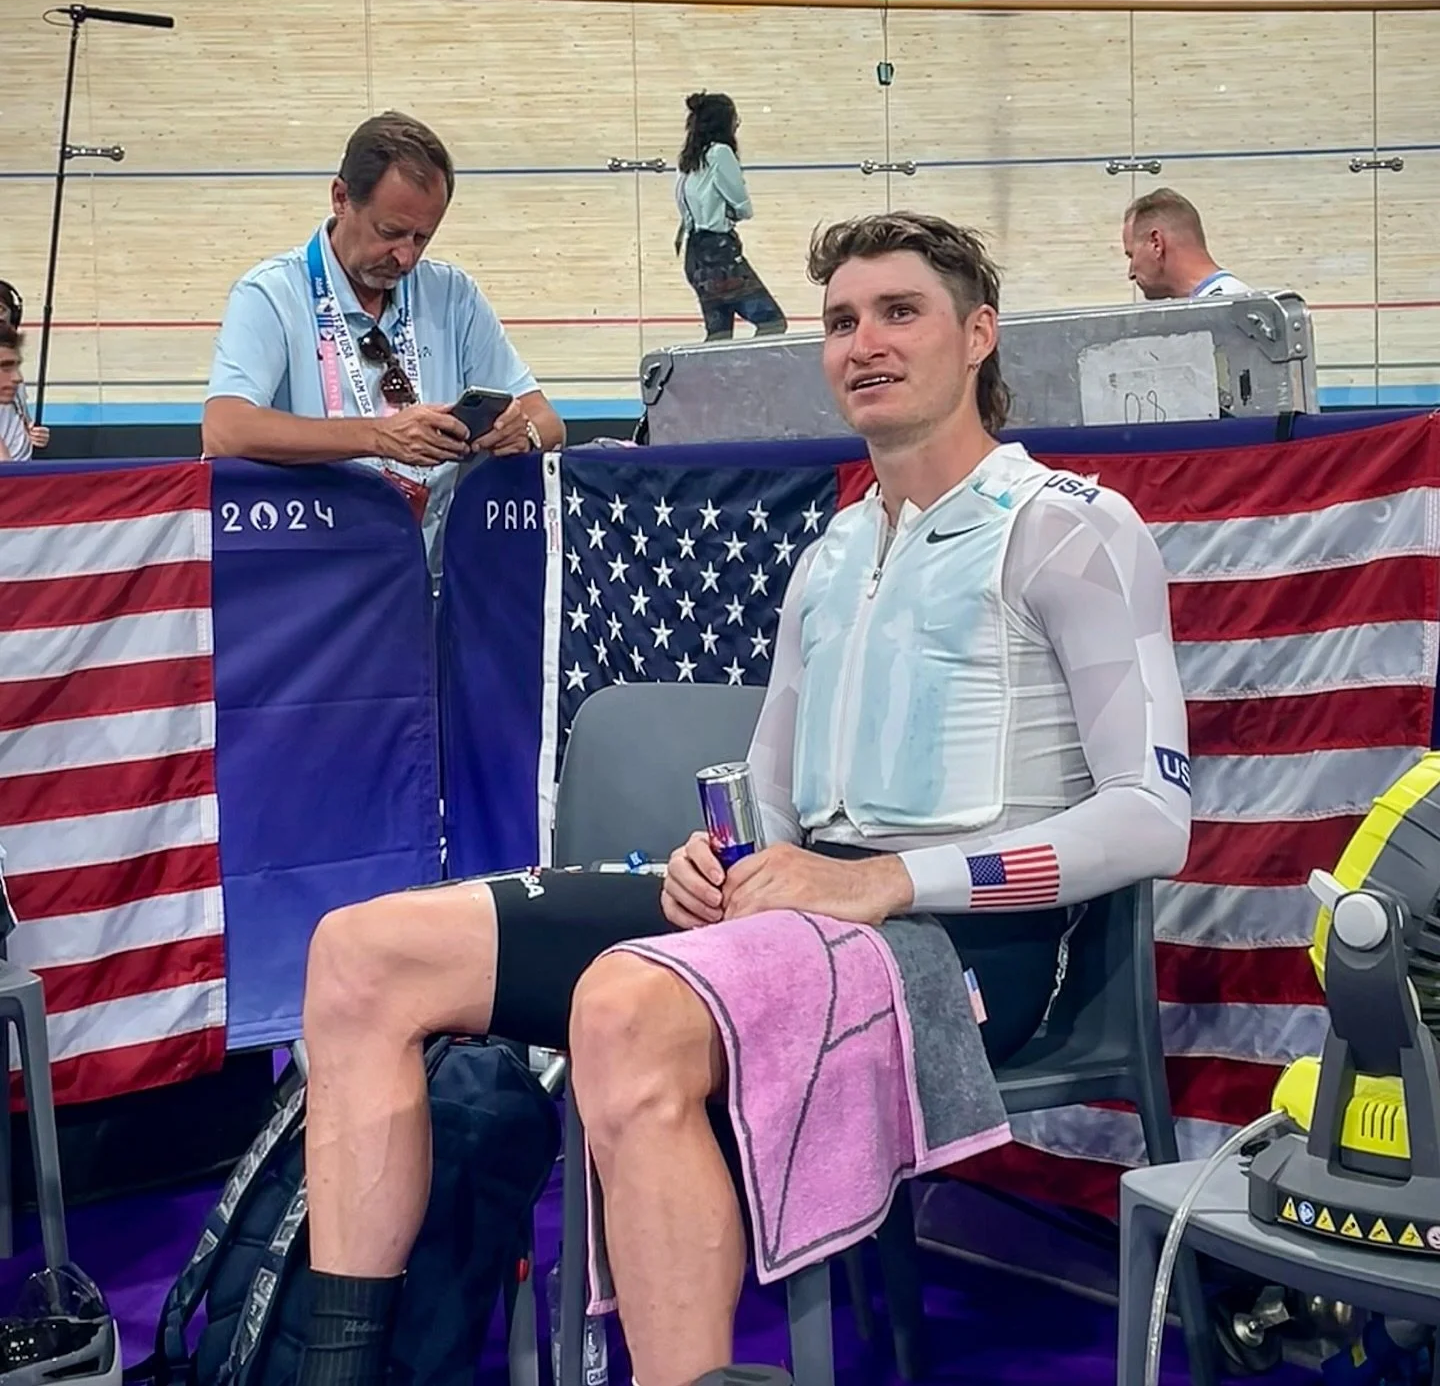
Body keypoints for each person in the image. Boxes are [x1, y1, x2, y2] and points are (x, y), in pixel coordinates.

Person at [296, 210, 1191, 1386]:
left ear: (978, 335)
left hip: (973, 943)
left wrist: (887, 880)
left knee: (625, 1004)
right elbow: (766, 800)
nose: (865, 342)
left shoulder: (1073, 528)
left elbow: (1151, 815)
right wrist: (707, 856)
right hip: (797, 909)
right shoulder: (831, 554)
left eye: (900, 312)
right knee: (362, 954)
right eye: (841, 321)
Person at [203, 111, 563, 567]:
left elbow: (549, 422)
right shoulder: (271, 294)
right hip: (313, 581)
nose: (406, 257)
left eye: (422, 238)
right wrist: (379, 437)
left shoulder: (452, 295)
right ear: (341, 198)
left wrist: (522, 432)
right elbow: (226, 430)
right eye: (390, 233)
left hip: (427, 579)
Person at [674, 91, 787, 343]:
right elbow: (742, 205)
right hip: (720, 255)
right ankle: (750, 368)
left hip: (695, 256)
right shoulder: (720, 153)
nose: (737, 124)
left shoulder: (688, 160)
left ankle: (712, 371)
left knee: (719, 336)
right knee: (772, 322)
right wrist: (735, 212)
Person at [1123, 188, 1249, 301]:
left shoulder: (1223, 310)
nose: (1131, 274)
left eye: (1132, 255)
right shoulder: (1236, 302)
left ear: (1156, 244)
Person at [0, 284, 48, 459]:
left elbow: (21, 414)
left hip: (25, 466)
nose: (17, 377)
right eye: (5, 366)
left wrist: (31, 430)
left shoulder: (11, 378)